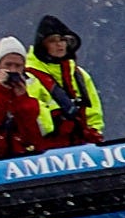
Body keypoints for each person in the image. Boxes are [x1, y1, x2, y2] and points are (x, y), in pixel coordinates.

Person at [31, 15, 107, 148]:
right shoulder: (31, 77)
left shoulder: (80, 75)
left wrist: (93, 133)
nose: (59, 44)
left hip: (81, 146)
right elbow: (33, 119)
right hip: (47, 150)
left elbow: (94, 112)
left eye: (62, 39)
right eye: (52, 41)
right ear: (43, 45)